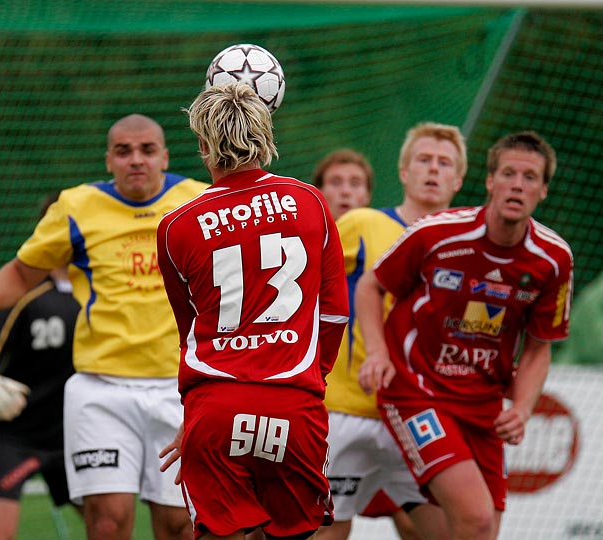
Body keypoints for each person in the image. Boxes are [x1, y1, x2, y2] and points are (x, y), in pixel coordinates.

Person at [0, 114, 209, 540]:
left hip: (179, 387)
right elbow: (23, 271)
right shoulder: (77, 206)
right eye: (123, 151)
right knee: (107, 522)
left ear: (164, 157)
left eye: (147, 150)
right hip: (100, 390)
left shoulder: (199, 201)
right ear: (108, 160)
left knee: (179, 524)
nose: (136, 160)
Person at [356, 131, 574, 540]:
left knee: (482, 530)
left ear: (543, 190)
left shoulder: (553, 259)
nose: (517, 184)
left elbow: (538, 347)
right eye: (508, 173)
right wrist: (378, 354)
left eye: (530, 177)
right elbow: (371, 287)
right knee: (473, 518)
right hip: (415, 391)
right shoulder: (437, 233)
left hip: (483, 405)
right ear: (490, 181)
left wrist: (523, 409)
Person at [157, 81, 349, 540]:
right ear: (266, 133)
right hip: (294, 407)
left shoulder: (175, 227)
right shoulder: (310, 202)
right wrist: (305, 385)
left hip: (216, 409)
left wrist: (201, 415)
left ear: (203, 144)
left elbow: (193, 335)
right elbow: (336, 314)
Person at [318, 122, 466, 540]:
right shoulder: (362, 224)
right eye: (423, 160)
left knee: (452, 530)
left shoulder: (467, 244)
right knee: (328, 532)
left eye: (444, 163)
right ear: (403, 172)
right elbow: (303, 285)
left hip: (420, 414)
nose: (433, 170)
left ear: (459, 179)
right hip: (347, 411)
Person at [0, 193, 82, 540]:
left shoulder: (103, 291)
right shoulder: (21, 293)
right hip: (14, 435)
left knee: (109, 524)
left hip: (76, 433)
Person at [312, 148, 373, 220]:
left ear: (367, 195)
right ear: (318, 193)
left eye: (355, 183)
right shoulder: (300, 230)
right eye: (335, 183)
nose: (345, 191)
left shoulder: (386, 228)